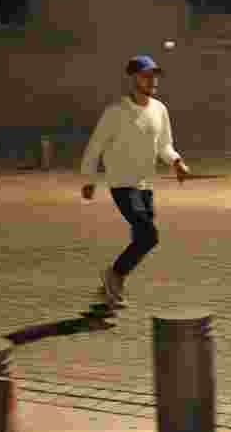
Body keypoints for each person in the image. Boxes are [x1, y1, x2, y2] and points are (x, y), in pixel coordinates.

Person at [80, 55, 191, 307]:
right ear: (133, 79)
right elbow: (95, 146)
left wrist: (176, 162)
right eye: (146, 75)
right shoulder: (116, 111)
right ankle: (114, 275)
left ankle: (109, 289)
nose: (152, 80)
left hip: (145, 186)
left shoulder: (159, 109)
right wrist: (89, 179)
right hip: (122, 184)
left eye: (154, 75)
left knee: (142, 239)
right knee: (149, 236)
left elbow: (164, 145)